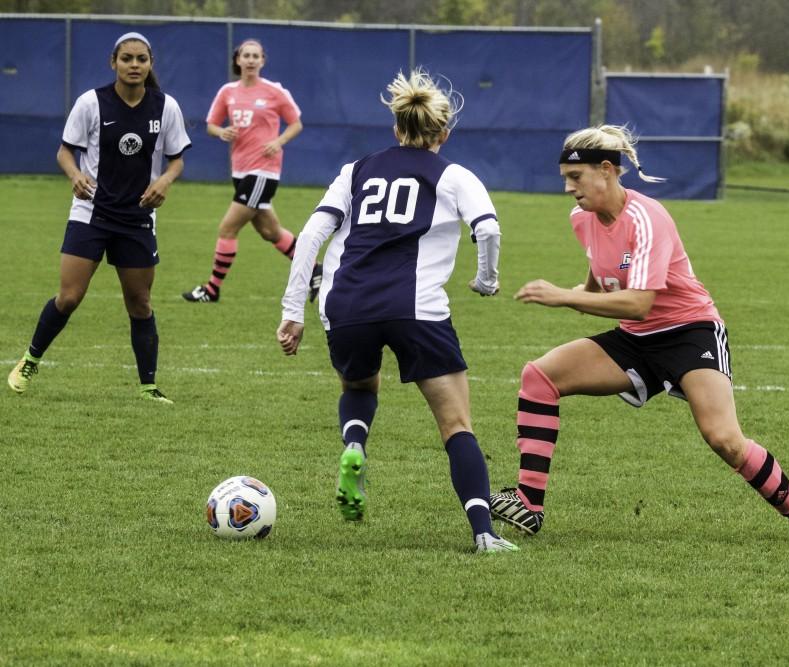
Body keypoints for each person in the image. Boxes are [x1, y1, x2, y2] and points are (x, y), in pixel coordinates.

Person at [489, 125, 789, 544]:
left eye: (575, 177)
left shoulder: (647, 217)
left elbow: (639, 302)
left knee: (724, 439)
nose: (567, 188)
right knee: (539, 377)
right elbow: (601, 287)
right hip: (636, 338)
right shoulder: (582, 219)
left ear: (606, 170)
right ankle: (529, 503)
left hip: (690, 332)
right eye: (565, 177)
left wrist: (563, 297)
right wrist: (572, 294)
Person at [276, 69, 517, 554]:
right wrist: (486, 280)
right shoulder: (454, 175)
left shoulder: (356, 170)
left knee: (361, 386)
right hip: (417, 310)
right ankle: (484, 534)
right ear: (443, 134)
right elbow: (488, 229)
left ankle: (355, 446)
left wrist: (292, 309)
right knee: (456, 425)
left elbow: (310, 237)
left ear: (396, 129)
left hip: (346, 304)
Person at [7, 32, 190, 403]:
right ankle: (29, 360)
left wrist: (165, 182)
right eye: (127, 59)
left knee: (140, 303)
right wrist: (76, 176)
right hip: (91, 213)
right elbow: (64, 152)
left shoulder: (165, 107)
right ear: (114, 62)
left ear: (150, 63)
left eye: (141, 59)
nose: (134, 65)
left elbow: (177, 159)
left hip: (137, 218)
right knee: (69, 297)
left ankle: (148, 387)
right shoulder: (92, 103)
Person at [182, 39, 321, 303]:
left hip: (264, 171)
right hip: (240, 170)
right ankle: (316, 269)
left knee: (227, 228)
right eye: (246, 55)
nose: (250, 60)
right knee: (271, 232)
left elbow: (296, 124)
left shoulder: (274, 91)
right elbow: (211, 124)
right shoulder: (228, 92)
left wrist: (278, 141)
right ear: (237, 60)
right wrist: (222, 132)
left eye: (256, 56)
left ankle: (212, 289)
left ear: (262, 61)